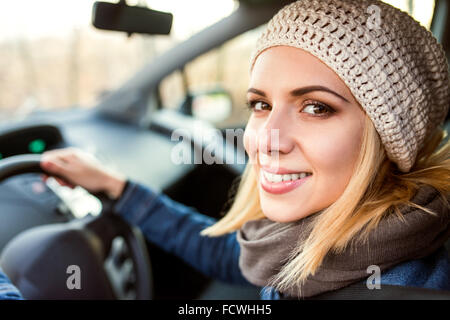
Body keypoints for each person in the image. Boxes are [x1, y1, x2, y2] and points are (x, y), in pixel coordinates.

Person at [1, 0, 449, 299]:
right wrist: (118, 187)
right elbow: (233, 258)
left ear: (390, 134)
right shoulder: (336, 236)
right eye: (260, 104)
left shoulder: (396, 284)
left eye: (316, 107)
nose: (266, 139)